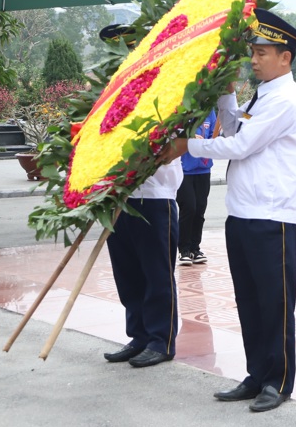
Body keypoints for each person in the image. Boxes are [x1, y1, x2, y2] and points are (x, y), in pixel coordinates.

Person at [162, 8, 296, 412]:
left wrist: (187, 146)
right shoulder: (262, 95)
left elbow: (241, 146)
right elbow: (234, 128)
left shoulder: (286, 99)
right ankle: (256, 374)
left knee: (275, 304)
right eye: (254, 51)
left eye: (264, 52)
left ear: (286, 58)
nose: (255, 58)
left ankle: (278, 382)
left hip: (272, 216)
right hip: (243, 213)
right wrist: (227, 93)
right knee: (250, 300)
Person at [99, 23, 182, 370]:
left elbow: (173, 140)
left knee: (156, 272)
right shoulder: (112, 93)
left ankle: (161, 340)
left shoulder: (168, 90)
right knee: (128, 272)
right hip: (119, 197)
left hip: (155, 196)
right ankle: (138, 336)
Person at [176, 109, 216, 266]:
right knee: (189, 208)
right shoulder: (182, 109)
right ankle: (184, 250)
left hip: (204, 167)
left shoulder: (210, 111)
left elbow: (214, 133)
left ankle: (195, 248)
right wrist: (189, 138)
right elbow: (173, 134)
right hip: (184, 168)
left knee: (200, 209)